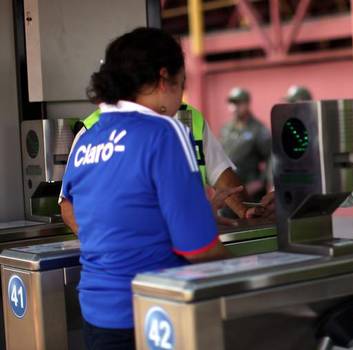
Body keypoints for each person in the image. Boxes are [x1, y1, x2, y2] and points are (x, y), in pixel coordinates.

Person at [59, 27, 229, 349]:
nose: (180, 97)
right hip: (156, 314)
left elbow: (104, 215)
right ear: (164, 78)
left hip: (98, 316)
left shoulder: (88, 140)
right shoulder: (164, 133)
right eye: (181, 85)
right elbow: (199, 249)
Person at [61, 101, 261, 227]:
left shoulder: (189, 118)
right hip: (150, 263)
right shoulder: (94, 130)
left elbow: (220, 173)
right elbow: (68, 204)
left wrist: (244, 210)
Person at [220, 87, 271, 202]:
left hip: (250, 190)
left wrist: (261, 181)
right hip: (229, 190)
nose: (234, 108)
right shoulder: (226, 128)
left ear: (247, 104)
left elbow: (271, 157)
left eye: (238, 103)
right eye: (232, 103)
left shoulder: (258, 129)